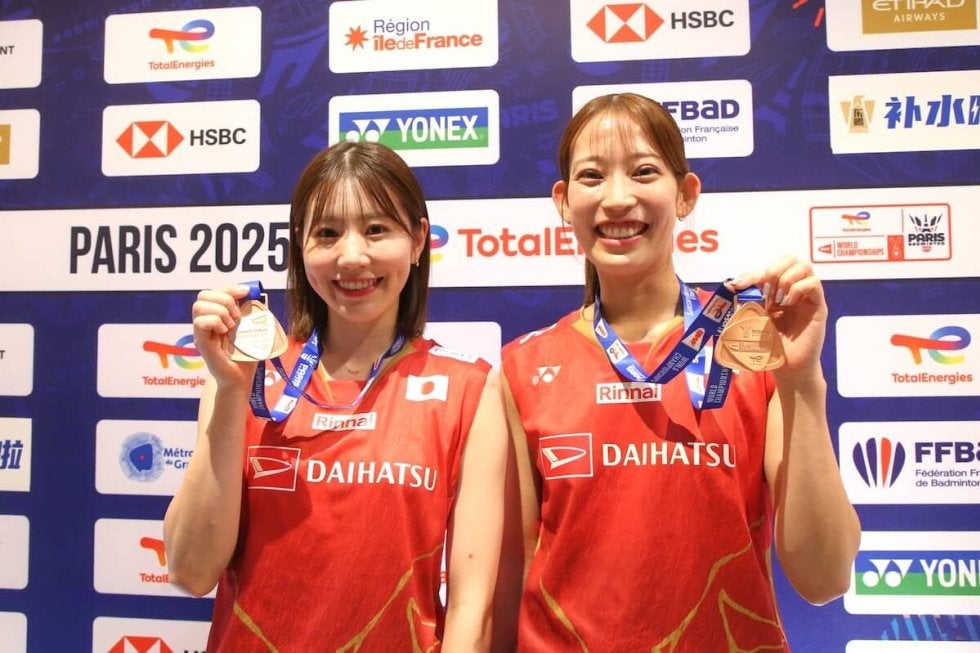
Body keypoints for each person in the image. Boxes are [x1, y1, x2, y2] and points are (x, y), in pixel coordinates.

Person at [494, 93, 861, 652]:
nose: (618, 198)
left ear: (686, 194)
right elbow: (508, 580)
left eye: (644, 171)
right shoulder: (522, 367)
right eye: (592, 176)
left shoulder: (752, 346)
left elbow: (825, 577)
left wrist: (802, 382)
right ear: (564, 203)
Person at [163, 141, 507, 651]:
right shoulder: (245, 377)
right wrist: (231, 391)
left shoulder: (469, 388)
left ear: (417, 241)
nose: (351, 256)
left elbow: (471, 609)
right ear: (300, 248)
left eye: (376, 229)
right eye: (327, 233)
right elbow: (191, 572)